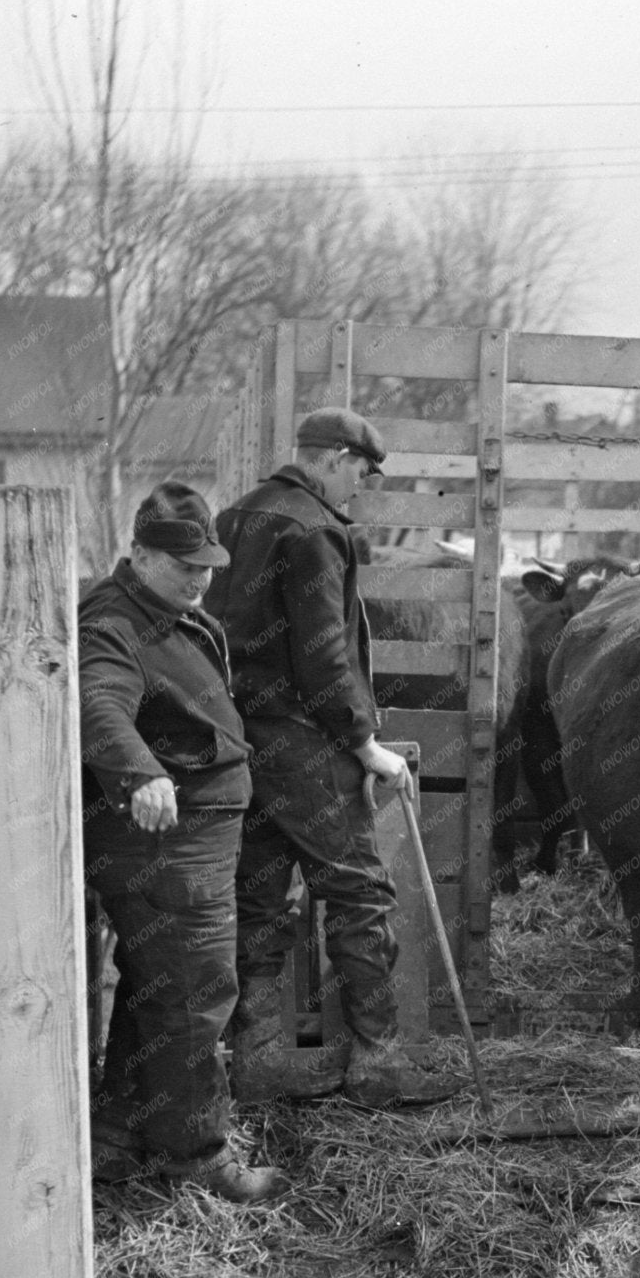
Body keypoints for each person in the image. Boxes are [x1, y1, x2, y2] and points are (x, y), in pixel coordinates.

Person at [209, 408, 434, 1105]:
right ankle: (379, 1063)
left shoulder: (236, 517)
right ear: (334, 457)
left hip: (241, 737)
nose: (358, 491)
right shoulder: (314, 531)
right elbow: (323, 653)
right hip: (303, 742)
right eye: (360, 474)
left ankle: (258, 1059)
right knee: (359, 892)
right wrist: (364, 743)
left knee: (258, 899)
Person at [78, 481, 285, 1202]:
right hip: (165, 847)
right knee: (196, 993)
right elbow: (99, 700)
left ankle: (118, 1135)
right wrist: (139, 773)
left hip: (192, 845)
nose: (200, 577)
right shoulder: (114, 624)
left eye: (205, 563)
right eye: (182, 563)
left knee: (154, 989)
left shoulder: (166, 611)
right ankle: (197, 1154)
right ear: (137, 555)